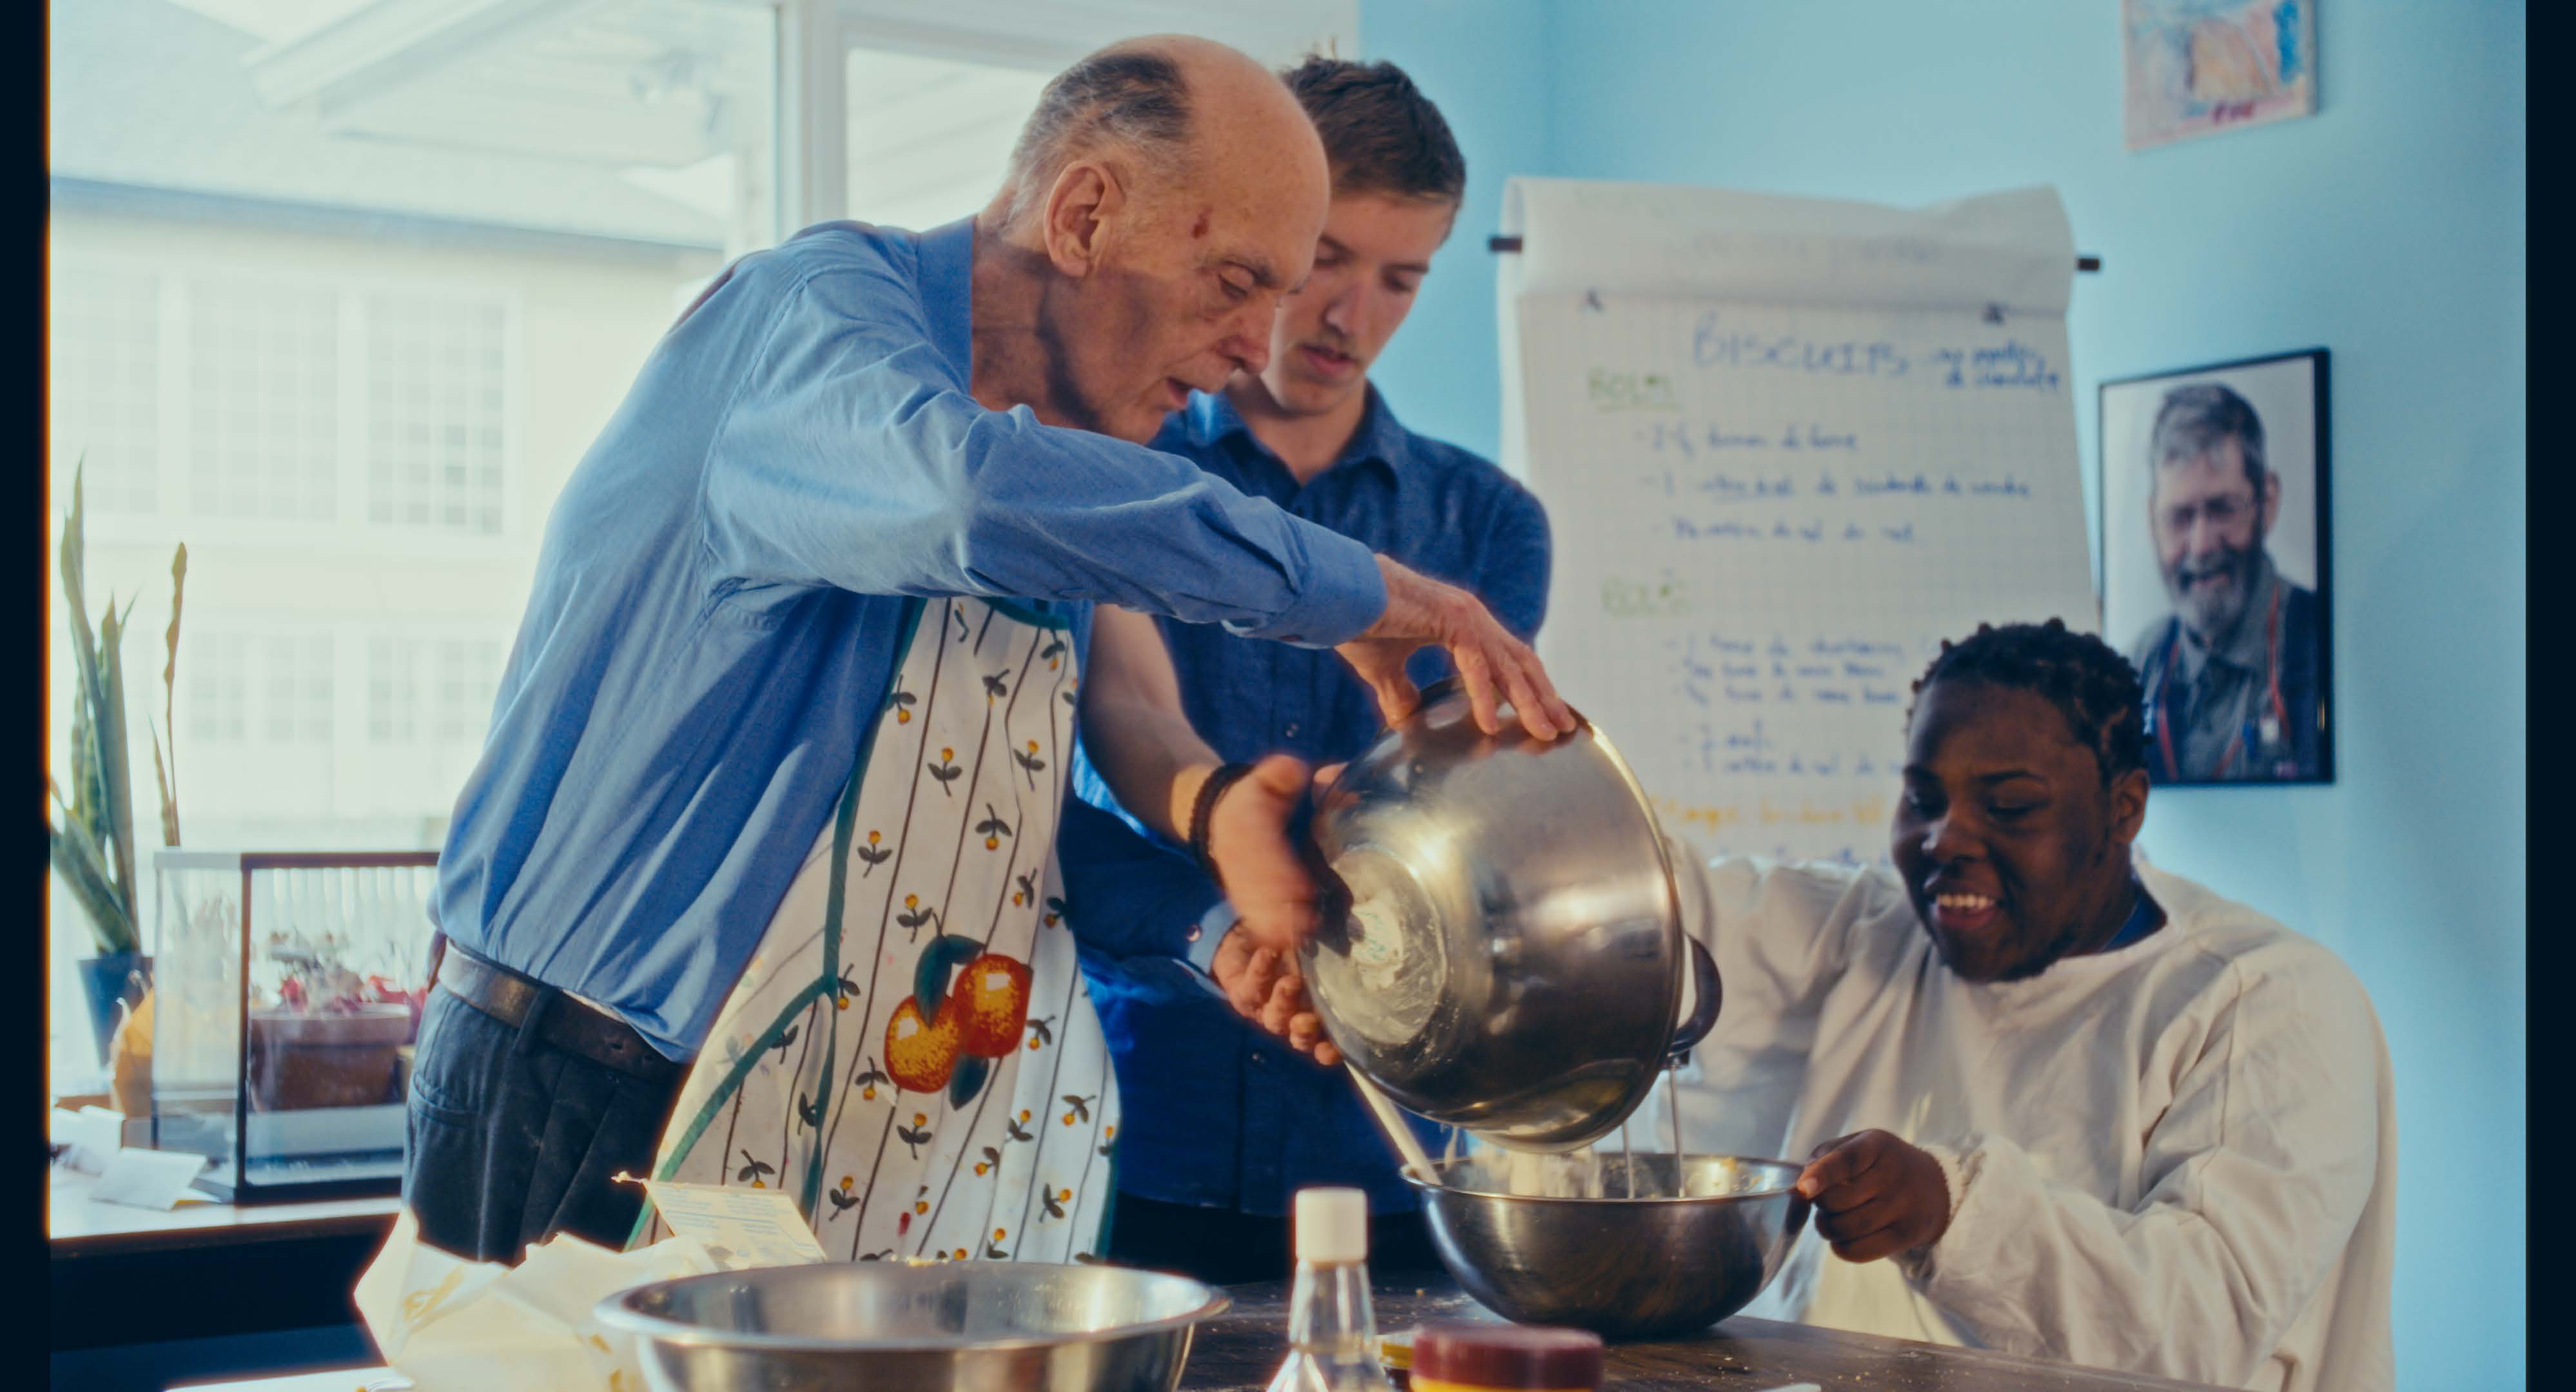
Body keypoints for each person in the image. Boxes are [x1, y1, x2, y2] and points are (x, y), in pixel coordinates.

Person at [401, 34, 1574, 1266]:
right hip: (590, 1105)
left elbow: (988, 825)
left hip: (842, 1143)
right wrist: (1358, 592)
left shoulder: (1056, 491)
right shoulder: (814, 328)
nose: (1256, 344)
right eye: (1237, 281)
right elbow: (961, 499)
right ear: (1082, 215)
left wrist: (1209, 928)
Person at [1251, 621, 2395, 1391]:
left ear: (2126, 808)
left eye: (2008, 804)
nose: (1950, 841)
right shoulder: (1873, 934)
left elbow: (2203, 1332)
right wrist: (1375, 919)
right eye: (1922, 798)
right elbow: (1645, 910)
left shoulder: (2265, 1008)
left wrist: (1955, 1209)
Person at [1053, 55, 1547, 1284]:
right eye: (1325, 258)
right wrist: (1230, 885)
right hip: (1124, 1112)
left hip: (1380, 1128)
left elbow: (1453, 805)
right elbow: (1115, 727)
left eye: (1402, 278)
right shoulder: (1118, 462)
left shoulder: (1487, 525)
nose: (1350, 315)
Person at [2123, 383, 2325, 782]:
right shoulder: (2138, 668)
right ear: (2152, 521)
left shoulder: (2319, 641)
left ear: (2266, 503)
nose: (2200, 546)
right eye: (2179, 518)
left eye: (2222, 510)